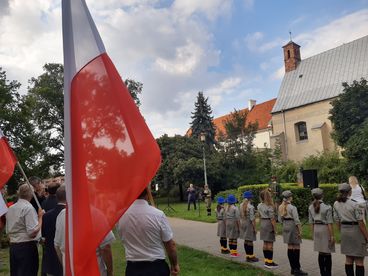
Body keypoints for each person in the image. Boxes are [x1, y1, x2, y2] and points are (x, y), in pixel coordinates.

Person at [117, 187, 179, 276]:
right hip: (156, 267)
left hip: (133, 268)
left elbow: (123, 238)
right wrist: (174, 264)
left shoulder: (121, 216)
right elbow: (170, 245)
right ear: (147, 194)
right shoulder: (158, 214)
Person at [54, 209, 115, 276]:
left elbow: (57, 247)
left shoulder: (62, 215)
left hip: (72, 271)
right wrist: (110, 272)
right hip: (93, 271)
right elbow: (106, 248)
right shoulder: (96, 214)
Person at [6, 184, 44, 276]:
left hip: (14, 247)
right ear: (32, 194)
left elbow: (8, 231)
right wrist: (40, 218)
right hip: (26, 247)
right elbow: (32, 232)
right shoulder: (28, 208)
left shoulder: (10, 208)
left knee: (16, 273)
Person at [333, 183, 368, 276]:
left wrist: (341, 232)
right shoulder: (355, 204)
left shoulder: (336, 203)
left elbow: (337, 220)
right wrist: (367, 237)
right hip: (356, 231)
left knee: (348, 259)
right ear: (350, 191)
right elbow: (361, 223)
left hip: (344, 231)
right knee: (359, 260)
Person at [278, 190, 308, 276]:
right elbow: (297, 220)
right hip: (292, 226)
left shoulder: (280, 206)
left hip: (285, 225)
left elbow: (280, 220)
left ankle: (292, 268)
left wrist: (284, 224)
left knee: (290, 246)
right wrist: (300, 230)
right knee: (296, 246)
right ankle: (297, 269)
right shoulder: (292, 207)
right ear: (290, 197)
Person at [308, 188, 335, 276]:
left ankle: (322, 273)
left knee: (320, 252)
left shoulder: (310, 207)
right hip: (324, 229)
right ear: (322, 196)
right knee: (327, 252)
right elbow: (330, 223)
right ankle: (328, 274)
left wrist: (313, 234)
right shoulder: (327, 207)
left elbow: (311, 222)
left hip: (316, 229)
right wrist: (332, 236)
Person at [41, 185, 66, 276]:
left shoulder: (46, 215)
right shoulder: (69, 214)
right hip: (65, 253)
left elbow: (43, 235)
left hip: (51, 255)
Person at [258, 189, 278, 268]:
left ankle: (266, 260)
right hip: (268, 223)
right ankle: (270, 262)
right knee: (270, 243)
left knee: (265, 243)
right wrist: (275, 229)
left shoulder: (259, 205)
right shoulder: (269, 206)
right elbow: (272, 219)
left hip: (262, 223)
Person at [239, 191, 258, 262]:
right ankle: (251, 257)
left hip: (243, 223)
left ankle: (247, 256)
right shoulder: (251, 207)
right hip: (249, 224)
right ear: (250, 198)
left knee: (246, 240)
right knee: (250, 240)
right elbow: (252, 219)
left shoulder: (241, 205)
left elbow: (240, 215)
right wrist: (255, 228)